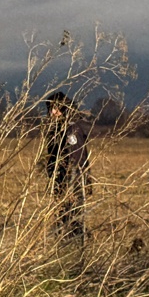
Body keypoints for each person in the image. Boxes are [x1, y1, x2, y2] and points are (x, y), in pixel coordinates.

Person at [44, 91, 91, 240]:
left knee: (72, 218)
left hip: (72, 182)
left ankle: (75, 248)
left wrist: (69, 184)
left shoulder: (71, 129)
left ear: (65, 108)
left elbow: (74, 158)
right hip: (61, 181)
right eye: (50, 108)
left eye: (56, 107)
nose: (52, 111)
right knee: (62, 217)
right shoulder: (57, 128)